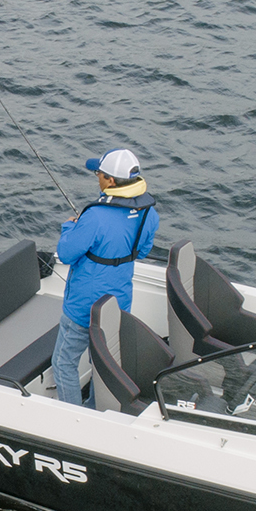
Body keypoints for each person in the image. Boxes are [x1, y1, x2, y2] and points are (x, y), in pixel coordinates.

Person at [51, 147, 159, 407]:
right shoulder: (149, 213)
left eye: (99, 174)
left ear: (110, 181)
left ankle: (73, 416)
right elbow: (142, 251)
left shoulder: (95, 216)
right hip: (116, 305)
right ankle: (96, 410)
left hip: (83, 307)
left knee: (63, 363)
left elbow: (66, 253)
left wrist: (70, 226)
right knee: (102, 364)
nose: (97, 177)